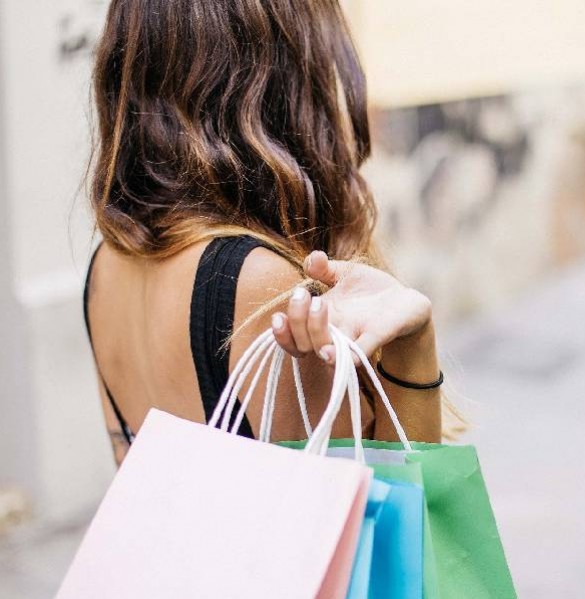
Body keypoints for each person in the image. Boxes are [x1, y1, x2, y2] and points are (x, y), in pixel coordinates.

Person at [83, 0, 444, 465]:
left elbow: (132, 470)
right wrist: (415, 345)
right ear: (290, 81)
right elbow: (396, 500)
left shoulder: (105, 267)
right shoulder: (260, 284)